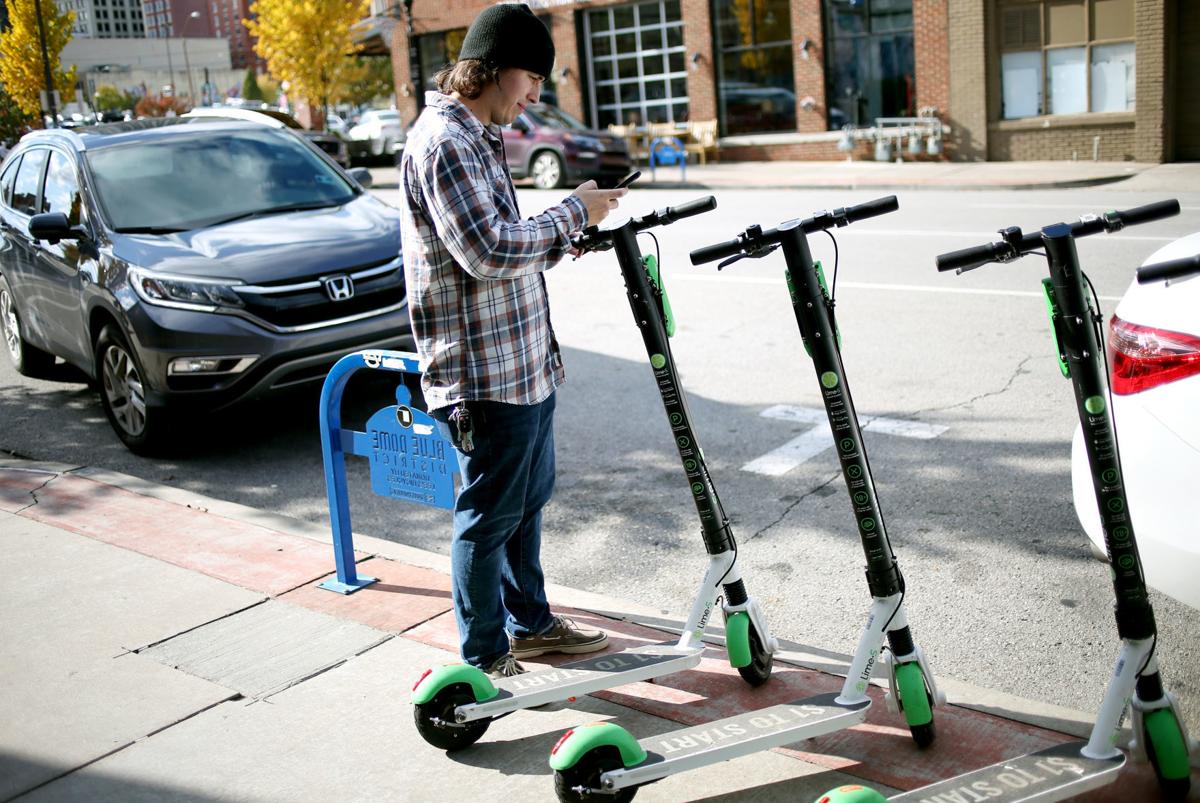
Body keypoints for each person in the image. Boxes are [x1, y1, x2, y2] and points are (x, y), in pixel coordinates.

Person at [398, 3, 628, 679]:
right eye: (532, 77)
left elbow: (507, 243)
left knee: (524, 504)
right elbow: (488, 250)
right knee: (488, 516)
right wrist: (568, 213)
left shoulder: (478, 135)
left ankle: (531, 624)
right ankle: (485, 657)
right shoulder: (444, 141)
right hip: (483, 375)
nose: (535, 96)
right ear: (493, 67)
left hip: (522, 363)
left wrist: (568, 232)